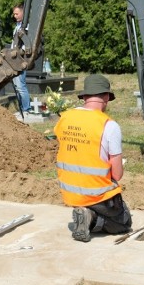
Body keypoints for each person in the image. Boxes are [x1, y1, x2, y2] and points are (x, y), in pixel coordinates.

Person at [55, 74, 132, 241]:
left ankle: (85, 212)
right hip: (96, 193)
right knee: (123, 223)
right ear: (106, 97)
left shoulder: (65, 118)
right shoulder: (108, 125)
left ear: (84, 96)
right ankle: (92, 216)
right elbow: (117, 175)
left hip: (70, 192)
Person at [10, 3, 31, 113]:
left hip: (20, 58)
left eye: (17, 13)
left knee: (20, 86)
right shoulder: (18, 25)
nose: (15, 16)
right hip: (14, 58)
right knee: (17, 86)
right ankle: (23, 109)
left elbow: (27, 43)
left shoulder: (26, 26)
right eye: (14, 14)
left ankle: (26, 109)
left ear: (23, 13)